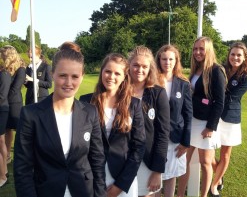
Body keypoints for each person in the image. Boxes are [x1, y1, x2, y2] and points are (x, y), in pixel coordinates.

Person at [14, 42, 106, 197]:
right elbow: (22, 169)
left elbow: (97, 160)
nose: (69, 83)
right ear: (53, 74)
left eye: (75, 76)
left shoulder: (90, 112)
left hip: (83, 191)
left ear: (82, 77)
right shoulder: (31, 115)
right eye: (63, 75)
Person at [80, 53, 146, 197]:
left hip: (123, 176)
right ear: (101, 72)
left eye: (117, 73)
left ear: (124, 76)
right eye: (108, 71)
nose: (111, 77)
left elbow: (139, 146)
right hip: (93, 175)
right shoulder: (85, 102)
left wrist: (120, 185)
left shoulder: (134, 105)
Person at [177, 37, 226, 197]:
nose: (197, 52)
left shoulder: (216, 70)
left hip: (206, 124)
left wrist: (211, 127)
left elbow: (219, 102)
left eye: (201, 49)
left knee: (206, 163)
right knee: (184, 161)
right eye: (195, 49)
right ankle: (180, 194)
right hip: (192, 122)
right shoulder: (195, 70)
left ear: (209, 50)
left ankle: (204, 195)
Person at [210, 42, 247, 195]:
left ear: (244, 57)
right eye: (233, 54)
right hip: (214, 116)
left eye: (239, 55)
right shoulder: (220, 70)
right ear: (228, 55)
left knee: (225, 154)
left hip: (230, 119)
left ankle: (214, 185)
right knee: (208, 155)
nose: (235, 57)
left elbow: (232, 97)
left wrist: (217, 96)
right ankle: (219, 176)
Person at [128, 46, 170, 197]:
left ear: (150, 68)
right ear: (129, 66)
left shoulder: (158, 93)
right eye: (136, 65)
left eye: (144, 66)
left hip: (148, 160)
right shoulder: (120, 91)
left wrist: (157, 170)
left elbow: (163, 133)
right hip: (123, 159)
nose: (140, 70)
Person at [154, 44, 193, 197]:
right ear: (159, 60)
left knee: (171, 175)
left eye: (171, 59)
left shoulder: (183, 84)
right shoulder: (152, 82)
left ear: (176, 60)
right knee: (156, 176)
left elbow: (188, 114)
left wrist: (185, 142)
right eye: (164, 59)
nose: (167, 62)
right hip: (156, 137)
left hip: (176, 139)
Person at [4, 46, 26, 165]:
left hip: (14, 104)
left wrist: (3, 98)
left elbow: (15, 89)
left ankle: (22, 156)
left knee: (20, 131)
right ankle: (7, 155)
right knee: (7, 130)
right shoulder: (5, 68)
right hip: (5, 103)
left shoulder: (21, 69)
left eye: (3, 55)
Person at [0, 47, 12, 187]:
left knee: (1, 143)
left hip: (2, 109)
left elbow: (2, 95)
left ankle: (2, 176)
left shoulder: (4, 73)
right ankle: (3, 173)